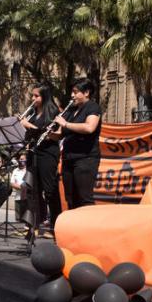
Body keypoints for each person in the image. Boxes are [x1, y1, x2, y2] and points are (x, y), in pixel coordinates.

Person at [52, 79, 102, 210]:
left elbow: (89, 128)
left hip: (85, 158)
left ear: (86, 92)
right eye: (72, 92)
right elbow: (60, 134)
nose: (72, 96)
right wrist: (46, 133)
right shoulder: (70, 110)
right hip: (68, 159)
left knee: (84, 197)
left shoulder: (93, 107)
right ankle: (73, 228)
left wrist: (66, 124)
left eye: (75, 92)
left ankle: (87, 229)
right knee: (71, 198)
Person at [19, 84, 62, 231]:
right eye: (33, 96)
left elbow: (48, 133)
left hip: (47, 154)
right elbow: (29, 135)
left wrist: (28, 125)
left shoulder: (52, 111)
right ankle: (34, 225)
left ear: (45, 96)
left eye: (36, 96)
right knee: (33, 189)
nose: (33, 99)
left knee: (49, 190)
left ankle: (56, 225)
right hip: (34, 153)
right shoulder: (32, 112)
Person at [9, 157, 28, 224]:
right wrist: (22, 187)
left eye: (23, 159)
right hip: (18, 197)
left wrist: (25, 187)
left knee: (27, 218)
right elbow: (12, 183)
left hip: (27, 198)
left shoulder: (29, 170)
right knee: (19, 219)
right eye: (20, 159)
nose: (21, 160)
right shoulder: (15, 170)